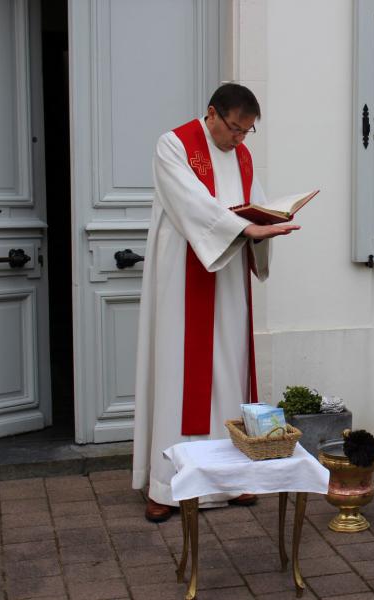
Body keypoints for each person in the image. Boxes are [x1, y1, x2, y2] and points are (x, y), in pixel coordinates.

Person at [132, 83, 299, 522]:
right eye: (234, 128)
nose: (240, 139)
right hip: (183, 277)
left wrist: (272, 217)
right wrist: (244, 230)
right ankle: (168, 487)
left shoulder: (242, 156)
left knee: (228, 369)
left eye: (248, 131)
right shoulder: (174, 144)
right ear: (212, 113)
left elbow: (254, 203)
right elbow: (191, 204)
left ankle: (232, 479)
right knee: (179, 373)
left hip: (227, 280)